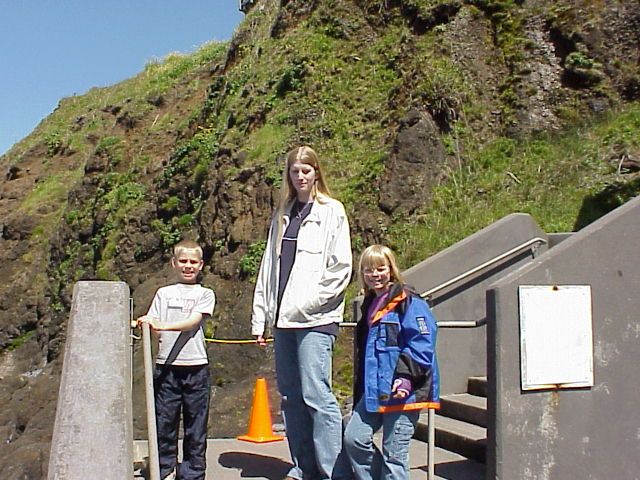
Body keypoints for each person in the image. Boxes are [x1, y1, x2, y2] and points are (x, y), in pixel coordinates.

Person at [251, 145, 353, 480]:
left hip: (316, 320)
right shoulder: (283, 213)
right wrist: (261, 316)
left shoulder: (332, 211)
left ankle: (333, 471)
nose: (300, 176)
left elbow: (341, 268)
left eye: (306, 170)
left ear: (316, 172)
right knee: (291, 397)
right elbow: (269, 268)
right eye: (294, 171)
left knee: (316, 394)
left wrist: (309, 303)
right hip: (282, 320)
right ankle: (303, 467)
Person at [343, 245, 440, 480]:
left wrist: (405, 378)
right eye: (369, 270)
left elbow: (423, 343)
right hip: (375, 389)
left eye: (380, 269)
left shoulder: (409, 301)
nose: (375, 275)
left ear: (391, 269)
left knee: (394, 456)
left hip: (404, 393)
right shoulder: (370, 303)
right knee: (354, 438)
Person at [137, 239, 216, 480]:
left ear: (200, 265)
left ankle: (193, 473)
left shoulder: (205, 294)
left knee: (196, 426)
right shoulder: (163, 293)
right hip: (167, 368)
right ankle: (164, 469)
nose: (188, 266)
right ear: (174, 263)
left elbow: (193, 322)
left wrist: (164, 325)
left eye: (193, 262)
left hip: (196, 368)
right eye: (183, 261)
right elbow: (152, 321)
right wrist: (146, 323)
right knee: (164, 423)